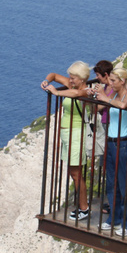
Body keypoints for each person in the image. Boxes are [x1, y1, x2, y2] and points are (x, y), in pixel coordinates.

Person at [89, 68, 127, 236]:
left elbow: (123, 106)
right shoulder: (114, 95)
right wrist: (99, 94)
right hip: (110, 142)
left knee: (125, 184)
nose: (111, 83)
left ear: (122, 81)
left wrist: (106, 97)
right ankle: (114, 219)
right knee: (111, 183)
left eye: (114, 81)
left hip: (122, 143)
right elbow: (101, 106)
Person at [41, 62, 91, 220]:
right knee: (73, 173)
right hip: (67, 135)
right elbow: (54, 75)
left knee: (77, 174)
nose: (70, 79)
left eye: (73, 77)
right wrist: (46, 81)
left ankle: (84, 208)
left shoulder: (85, 91)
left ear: (82, 79)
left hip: (76, 134)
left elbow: (75, 94)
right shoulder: (71, 84)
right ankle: (82, 205)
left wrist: (57, 93)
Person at [91, 60, 115, 214]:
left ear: (105, 75)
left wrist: (99, 95)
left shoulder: (111, 88)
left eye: (98, 76)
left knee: (110, 164)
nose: (97, 78)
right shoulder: (108, 87)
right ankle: (111, 200)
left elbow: (101, 106)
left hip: (110, 125)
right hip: (106, 124)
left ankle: (113, 202)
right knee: (107, 164)